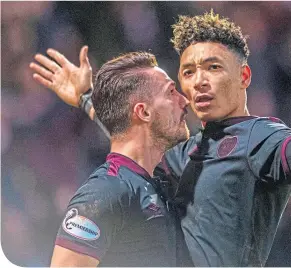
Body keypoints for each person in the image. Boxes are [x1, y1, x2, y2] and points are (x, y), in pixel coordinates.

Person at [30, 11, 291, 267]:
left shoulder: (259, 139)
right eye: (187, 72)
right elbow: (133, 138)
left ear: (244, 75)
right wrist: (89, 98)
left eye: (213, 67)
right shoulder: (180, 152)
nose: (198, 81)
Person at [30, 50, 191, 266]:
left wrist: (86, 98)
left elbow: (126, 128)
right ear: (143, 112)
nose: (184, 100)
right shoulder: (105, 192)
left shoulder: (157, 180)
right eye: (171, 92)